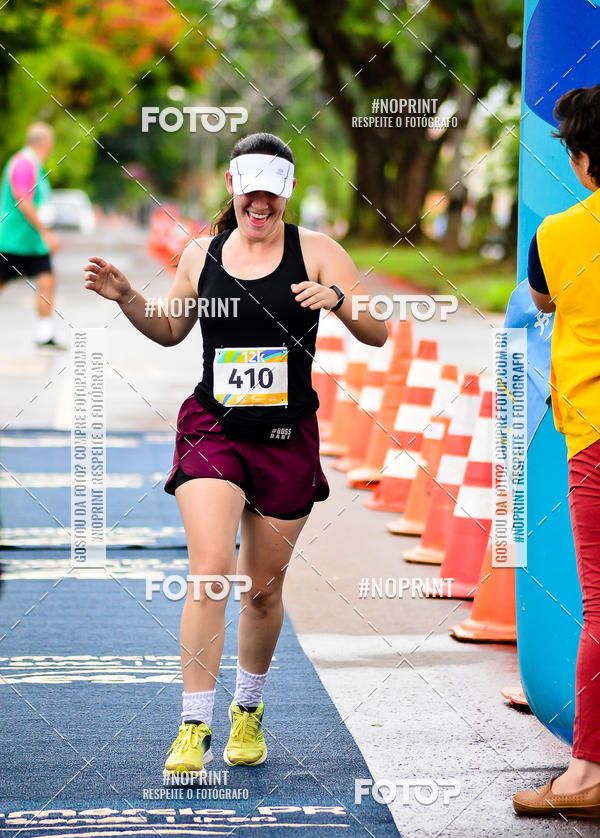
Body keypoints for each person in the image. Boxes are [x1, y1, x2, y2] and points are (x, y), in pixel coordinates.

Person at [84, 132, 387, 775]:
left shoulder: (318, 251)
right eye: (249, 188)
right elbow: (169, 329)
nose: (259, 201)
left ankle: (246, 710)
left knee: (262, 591)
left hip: (285, 437)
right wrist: (127, 297)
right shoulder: (201, 253)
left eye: (271, 190)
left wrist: (337, 302)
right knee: (212, 570)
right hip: (213, 430)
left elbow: (379, 331)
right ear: (232, 186)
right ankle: (193, 725)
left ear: (286, 191)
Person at [513, 86, 600, 818]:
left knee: (599, 608)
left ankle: (585, 774)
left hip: (595, 432)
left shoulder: (557, 234)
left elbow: (541, 302)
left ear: (580, 160)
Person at [0, 122, 64, 350]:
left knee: (47, 281)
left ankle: (44, 335)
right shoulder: (25, 163)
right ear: (47, 144)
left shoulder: (34, 164)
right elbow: (22, 200)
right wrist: (46, 232)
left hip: (32, 243)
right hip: (12, 240)